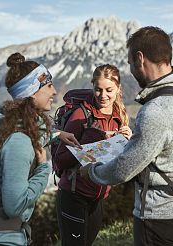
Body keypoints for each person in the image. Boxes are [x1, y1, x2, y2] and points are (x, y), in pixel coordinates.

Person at [81, 27, 173, 246]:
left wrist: (92, 172)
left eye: (130, 63)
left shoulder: (156, 110)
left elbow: (124, 169)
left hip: (158, 215)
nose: (131, 70)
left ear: (140, 58)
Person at [0, 52, 80, 246]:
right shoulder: (19, 141)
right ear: (32, 92)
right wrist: (44, 168)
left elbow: (27, 134)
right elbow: (15, 207)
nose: (54, 92)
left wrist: (56, 134)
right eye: (49, 86)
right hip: (2, 238)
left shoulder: (7, 126)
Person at [53, 64, 132, 246]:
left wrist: (126, 142)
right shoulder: (81, 115)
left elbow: (116, 157)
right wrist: (88, 141)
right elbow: (60, 158)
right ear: (93, 88)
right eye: (98, 90)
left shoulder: (119, 115)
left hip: (99, 196)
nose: (103, 96)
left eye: (109, 90)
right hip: (73, 194)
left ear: (118, 88)